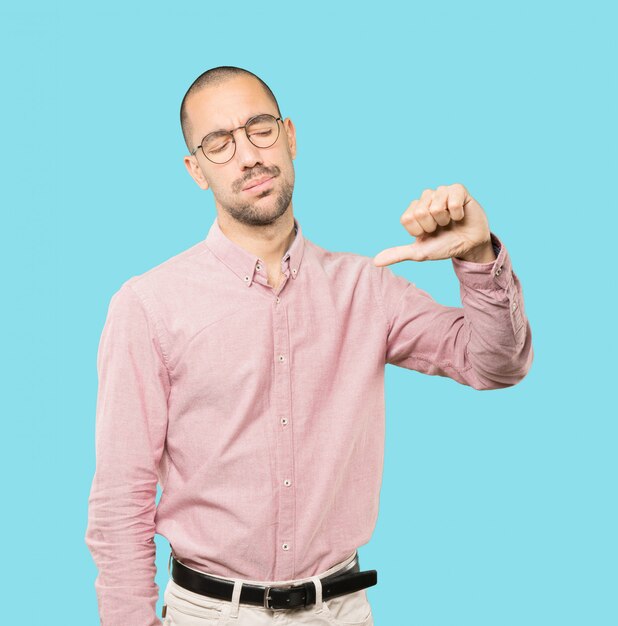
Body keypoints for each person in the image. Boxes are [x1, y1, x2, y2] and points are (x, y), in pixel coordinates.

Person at [84, 65, 534, 626]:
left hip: (339, 611)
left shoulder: (366, 288)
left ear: (290, 136)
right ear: (195, 170)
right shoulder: (148, 306)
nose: (247, 155)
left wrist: (475, 257)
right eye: (219, 144)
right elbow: (120, 499)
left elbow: (495, 364)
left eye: (260, 128)